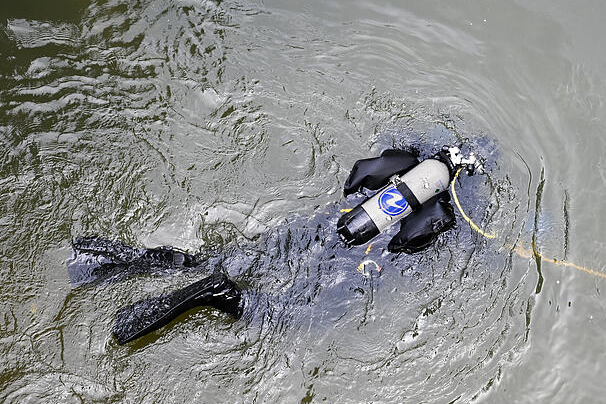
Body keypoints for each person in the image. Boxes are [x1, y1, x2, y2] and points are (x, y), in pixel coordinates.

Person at [68, 146, 478, 344]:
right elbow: (425, 247)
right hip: (337, 273)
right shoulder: (450, 210)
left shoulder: (407, 164)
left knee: (207, 260)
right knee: (265, 310)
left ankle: (103, 262)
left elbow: (370, 167)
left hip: (314, 232)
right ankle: (210, 294)